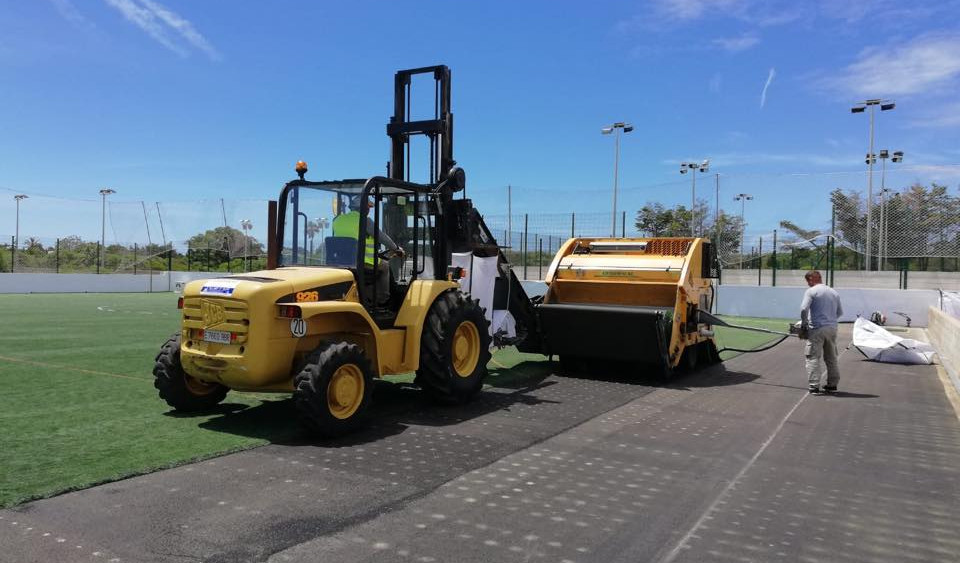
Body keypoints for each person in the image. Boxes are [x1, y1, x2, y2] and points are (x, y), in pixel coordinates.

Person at [332, 196, 404, 305]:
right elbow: (382, 237)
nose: (369, 210)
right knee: (385, 266)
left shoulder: (337, 220)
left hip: (341, 262)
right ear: (364, 208)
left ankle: (366, 295)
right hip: (362, 263)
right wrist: (396, 249)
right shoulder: (365, 220)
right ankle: (383, 299)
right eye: (368, 208)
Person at [800, 270, 843, 394]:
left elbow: (804, 309)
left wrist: (804, 324)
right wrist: (829, 320)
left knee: (812, 357)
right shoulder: (834, 292)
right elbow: (839, 312)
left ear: (811, 279)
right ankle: (832, 384)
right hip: (832, 329)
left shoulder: (811, 291)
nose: (808, 284)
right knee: (831, 358)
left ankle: (814, 386)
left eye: (808, 281)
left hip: (817, 329)